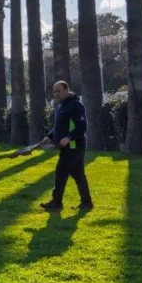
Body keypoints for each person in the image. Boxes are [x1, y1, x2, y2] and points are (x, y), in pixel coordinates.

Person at [40, 81, 93, 212]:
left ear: (67, 89)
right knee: (78, 174)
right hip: (68, 147)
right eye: (54, 91)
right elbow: (59, 127)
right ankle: (87, 203)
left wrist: (69, 138)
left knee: (61, 172)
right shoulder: (61, 106)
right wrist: (50, 136)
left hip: (74, 146)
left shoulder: (76, 105)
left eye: (58, 91)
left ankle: (56, 202)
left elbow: (82, 126)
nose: (56, 94)